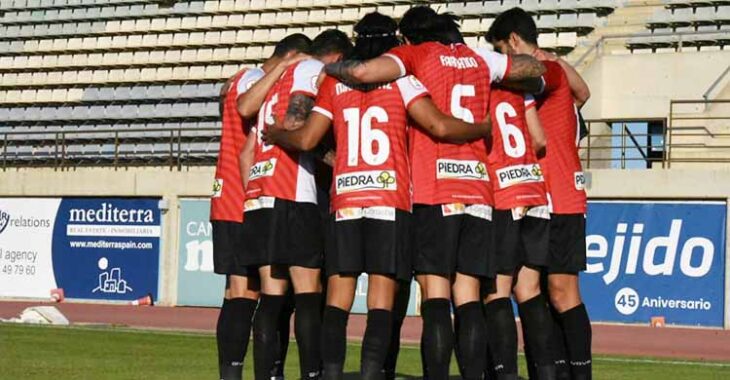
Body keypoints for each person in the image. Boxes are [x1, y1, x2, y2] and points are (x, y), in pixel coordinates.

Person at [266, 12, 492, 380]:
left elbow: (307, 139)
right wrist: (481, 126)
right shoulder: (403, 81)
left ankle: (332, 374)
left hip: (346, 200)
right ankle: (372, 373)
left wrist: (278, 135)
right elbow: (438, 125)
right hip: (390, 199)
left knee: (337, 300)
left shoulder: (334, 86)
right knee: (381, 303)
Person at [324, 7, 545, 379]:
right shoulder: (479, 57)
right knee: (469, 296)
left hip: (434, 189)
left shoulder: (417, 54)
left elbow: (363, 72)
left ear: (410, 37)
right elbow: (532, 70)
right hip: (478, 188)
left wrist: (327, 68)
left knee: (436, 296)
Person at [240, 29, 353, 380]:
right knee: (307, 291)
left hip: (260, 191)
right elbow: (294, 124)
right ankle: (311, 374)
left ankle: (266, 375)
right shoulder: (308, 72)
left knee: (271, 296)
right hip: (291, 191)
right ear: (333, 57)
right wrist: (337, 158)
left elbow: (247, 148)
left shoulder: (272, 82)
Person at [487, 7, 592, 380]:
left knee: (562, 291)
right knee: (530, 291)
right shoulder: (556, 69)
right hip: (534, 193)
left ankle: (580, 373)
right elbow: (585, 91)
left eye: (501, 49)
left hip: (560, 192)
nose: (501, 60)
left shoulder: (544, 71)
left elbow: (562, 84)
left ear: (514, 41)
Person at [211, 33, 311, 380]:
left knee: (238, 292)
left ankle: (235, 372)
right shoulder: (259, 80)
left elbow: (225, 96)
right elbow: (246, 109)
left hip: (227, 193)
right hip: (246, 194)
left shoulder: (241, 76)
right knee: (258, 292)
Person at [483, 85, 557, 380]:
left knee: (496, 293)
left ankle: (507, 373)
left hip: (503, 193)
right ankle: (545, 373)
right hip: (536, 192)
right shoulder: (520, 92)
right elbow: (539, 140)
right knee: (529, 290)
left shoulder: (479, 89)